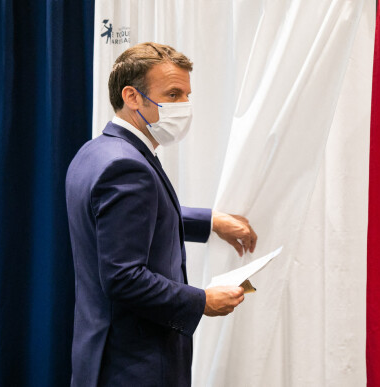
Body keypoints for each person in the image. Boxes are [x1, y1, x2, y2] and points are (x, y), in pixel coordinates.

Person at [65, 42, 258, 386]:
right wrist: (201, 301)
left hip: (103, 354)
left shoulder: (96, 152)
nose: (184, 106)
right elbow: (124, 277)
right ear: (132, 96)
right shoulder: (126, 166)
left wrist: (211, 222)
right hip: (136, 363)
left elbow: (132, 219)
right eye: (172, 94)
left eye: (186, 94)